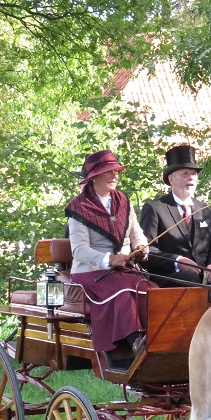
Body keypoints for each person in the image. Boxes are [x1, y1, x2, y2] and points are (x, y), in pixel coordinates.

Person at [66, 149, 150, 361]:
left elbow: (136, 233)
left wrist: (141, 247)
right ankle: (135, 341)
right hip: (91, 272)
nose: (114, 175)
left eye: (116, 171)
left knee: (150, 290)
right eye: (108, 171)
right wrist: (109, 259)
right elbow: (79, 250)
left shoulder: (124, 201)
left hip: (124, 270)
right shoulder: (78, 208)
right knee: (122, 290)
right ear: (94, 177)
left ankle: (157, 338)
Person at [139, 144, 211, 287]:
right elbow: (147, 252)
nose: (191, 178)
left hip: (204, 276)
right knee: (190, 278)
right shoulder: (155, 208)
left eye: (194, 174)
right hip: (171, 277)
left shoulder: (205, 210)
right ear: (171, 179)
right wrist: (177, 261)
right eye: (185, 173)